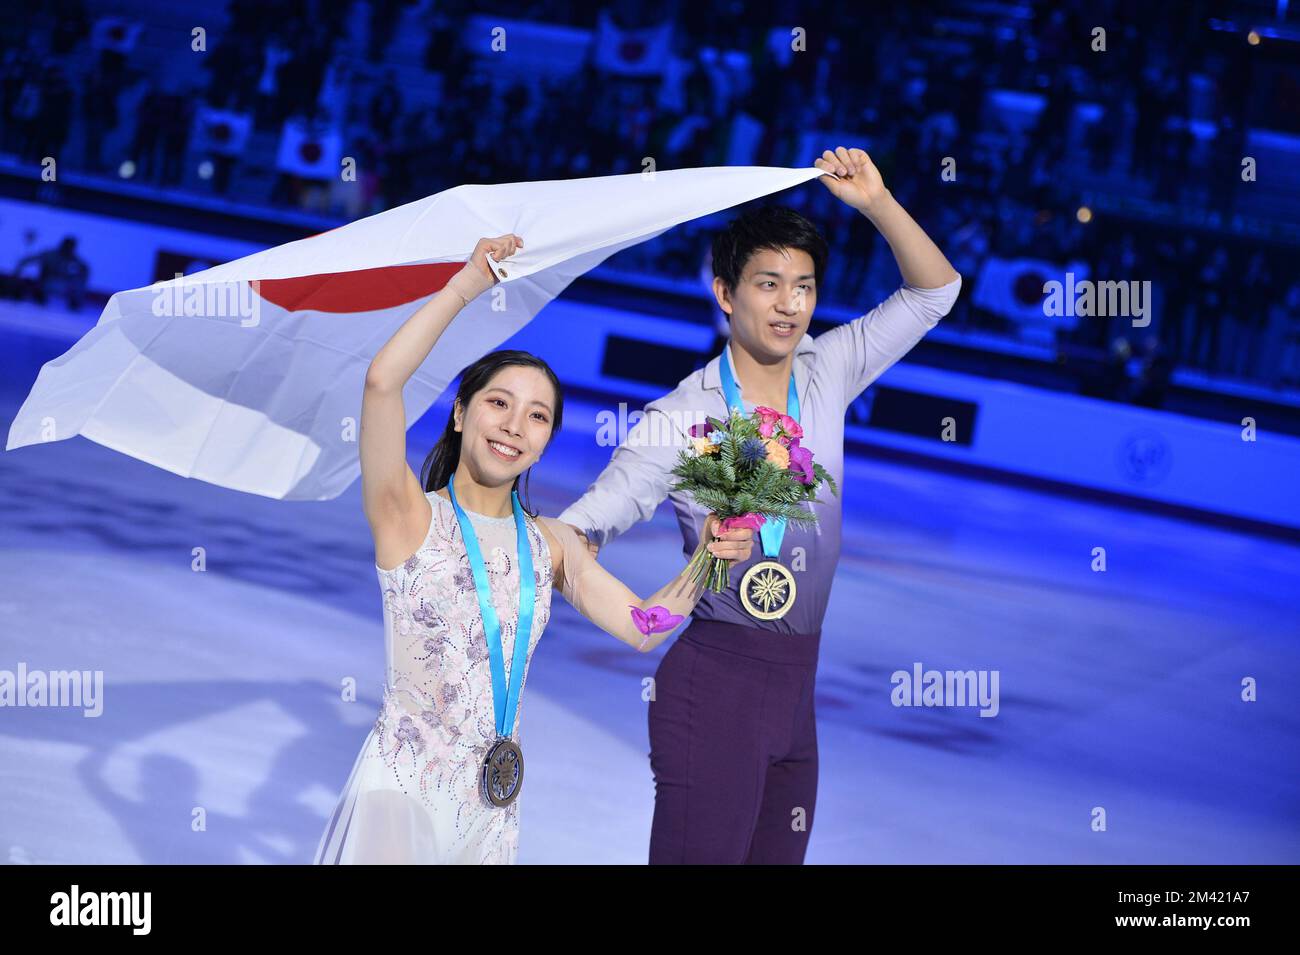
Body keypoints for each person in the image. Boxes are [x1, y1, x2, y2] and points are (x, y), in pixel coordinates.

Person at [557, 147, 963, 864]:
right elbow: (583, 529)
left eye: (804, 287)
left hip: (796, 696)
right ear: (725, 292)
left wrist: (876, 203)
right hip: (713, 688)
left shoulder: (829, 369)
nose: (789, 304)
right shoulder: (683, 414)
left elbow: (935, 292)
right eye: (769, 284)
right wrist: (646, 611)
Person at [314, 234, 756, 864]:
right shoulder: (408, 515)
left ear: (547, 441)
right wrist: (467, 285)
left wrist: (708, 556)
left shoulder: (552, 545)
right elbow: (383, 383)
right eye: (498, 404)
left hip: (491, 808)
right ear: (461, 413)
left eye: (538, 416)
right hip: (401, 795)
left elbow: (643, 628)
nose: (515, 426)